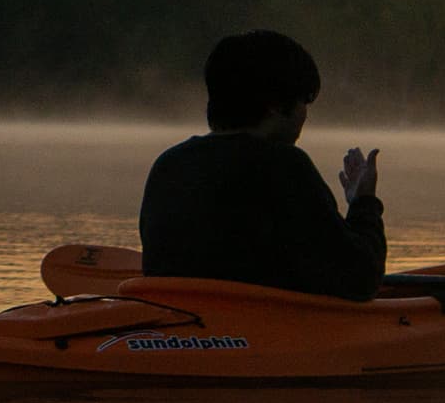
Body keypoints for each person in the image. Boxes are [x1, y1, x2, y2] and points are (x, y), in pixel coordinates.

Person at [139, 30, 388, 300]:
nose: (305, 115)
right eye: (304, 101)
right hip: (256, 329)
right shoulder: (283, 166)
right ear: (275, 105)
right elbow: (360, 279)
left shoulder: (169, 166)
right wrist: (364, 204)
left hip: (173, 330)